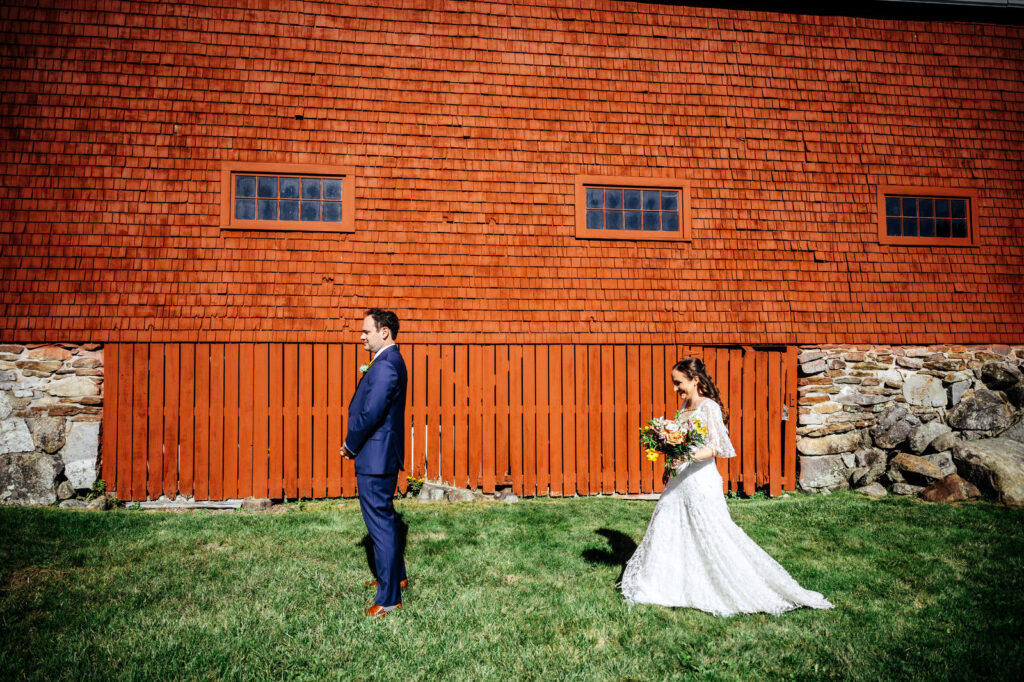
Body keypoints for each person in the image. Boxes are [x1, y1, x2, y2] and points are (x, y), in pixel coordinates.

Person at [619, 357, 834, 616]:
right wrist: (670, 446)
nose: (675, 389)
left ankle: (734, 585)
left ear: (695, 380)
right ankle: (667, 583)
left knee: (713, 532)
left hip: (701, 480)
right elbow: (685, 440)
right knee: (669, 522)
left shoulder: (708, 407)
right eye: (674, 384)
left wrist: (685, 455)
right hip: (681, 478)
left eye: (679, 383)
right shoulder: (685, 404)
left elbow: (717, 447)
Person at [342, 309, 408, 618]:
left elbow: (372, 414)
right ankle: (396, 578)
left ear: (384, 332)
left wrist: (351, 444)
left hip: (375, 458)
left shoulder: (386, 366)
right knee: (387, 520)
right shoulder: (388, 362)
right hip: (380, 456)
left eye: (367, 330)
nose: (362, 335)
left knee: (379, 525)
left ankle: (389, 598)